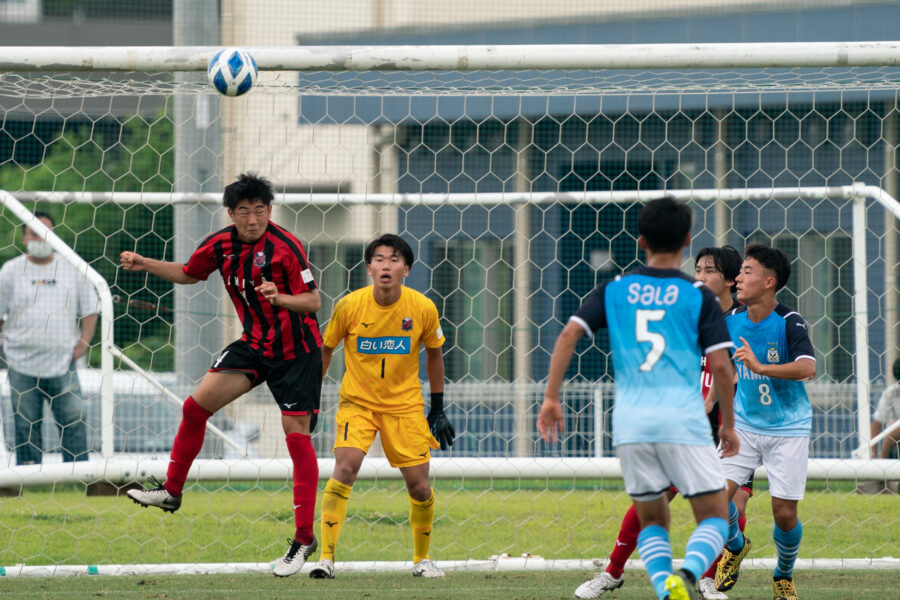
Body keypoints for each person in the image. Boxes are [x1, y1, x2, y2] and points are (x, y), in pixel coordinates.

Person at [120, 173, 323, 578]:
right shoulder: (219, 244)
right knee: (196, 408)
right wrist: (145, 264)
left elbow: (314, 299)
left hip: (298, 352)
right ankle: (172, 492)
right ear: (231, 214)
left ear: (270, 210)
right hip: (255, 345)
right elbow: (189, 273)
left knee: (296, 438)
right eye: (244, 212)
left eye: (260, 210)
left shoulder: (287, 248)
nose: (253, 219)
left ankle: (304, 539)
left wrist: (279, 297)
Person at [538, 197, 739, 600]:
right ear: (686, 241)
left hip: (630, 423)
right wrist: (729, 426)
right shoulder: (697, 295)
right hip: (683, 419)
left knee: (651, 520)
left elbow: (567, 336)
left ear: (641, 240)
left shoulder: (615, 289)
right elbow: (721, 367)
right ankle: (688, 573)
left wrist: (551, 398)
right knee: (717, 518)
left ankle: (667, 589)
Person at [575, 245, 753, 600]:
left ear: (731, 280)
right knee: (652, 500)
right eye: (697, 269)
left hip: (734, 430)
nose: (699, 277)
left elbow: (736, 373)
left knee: (728, 505)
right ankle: (612, 572)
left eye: (709, 271)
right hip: (685, 427)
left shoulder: (745, 322)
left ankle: (707, 578)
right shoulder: (685, 315)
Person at [308, 233, 455, 580]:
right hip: (357, 403)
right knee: (345, 466)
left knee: (419, 486)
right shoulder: (349, 306)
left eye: (393, 259)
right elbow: (326, 349)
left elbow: (435, 353)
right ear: (368, 267)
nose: (385, 265)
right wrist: (310, 398)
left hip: (404, 406)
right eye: (378, 259)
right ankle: (326, 558)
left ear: (406, 268)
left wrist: (437, 407)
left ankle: (422, 559)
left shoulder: (422, 308)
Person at [710, 244, 816, 600]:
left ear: (769, 282)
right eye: (740, 271)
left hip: (788, 429)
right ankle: (736, 546)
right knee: (714, 498)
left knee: (784, 515)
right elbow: (721, 368)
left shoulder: (789, 321)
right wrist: (707, 406)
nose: (738, 277)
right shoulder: (729, 322)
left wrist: (760, 367)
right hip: (744, 426)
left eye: (747, 271)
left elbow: (808, 368)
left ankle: (783, 575)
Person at [0, 212, 97, 465]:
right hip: (21, 363)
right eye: (34, 232)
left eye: (46, 232)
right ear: (23, 238)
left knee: (73, 421)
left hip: (62, 361)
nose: (40, 238)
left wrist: (84, 342)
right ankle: (30, 479)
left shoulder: (72, 268)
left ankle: (78, 476)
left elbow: (90, 309)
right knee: (26, 426)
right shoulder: (10, 271)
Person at [870, 358, 900, 458]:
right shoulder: (892, 392)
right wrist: (873, 455)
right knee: (893, 431)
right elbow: (877, 422)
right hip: (895, 439)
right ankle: (883, 464)